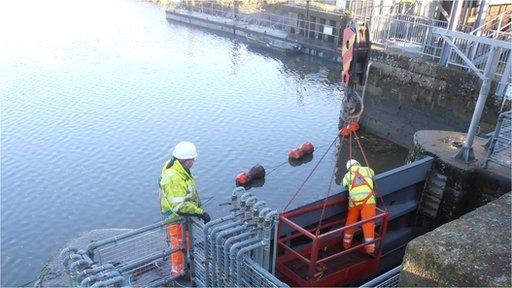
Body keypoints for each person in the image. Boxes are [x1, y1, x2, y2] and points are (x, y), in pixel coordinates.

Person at [159, 141, 210, 277]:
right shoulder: (174, 178)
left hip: (181, 216)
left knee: (185, 241)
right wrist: (200, 212)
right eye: (192, 159)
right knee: (178, 245)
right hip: (175, 217)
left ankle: (184, 265)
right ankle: (177, 272)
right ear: (186, 161)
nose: (193, 162)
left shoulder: (177, 168)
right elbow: (179, 206)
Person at [341, 159, 376, 254]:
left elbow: (343, 184)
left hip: (354, 203)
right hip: (368, 201)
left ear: (348, 168)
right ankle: (370, 249)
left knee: (350, 222)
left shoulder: (347, 175)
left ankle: (346, 245)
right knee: (368, 223)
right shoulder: (368, 169)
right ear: (358, 164)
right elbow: (373, 174)